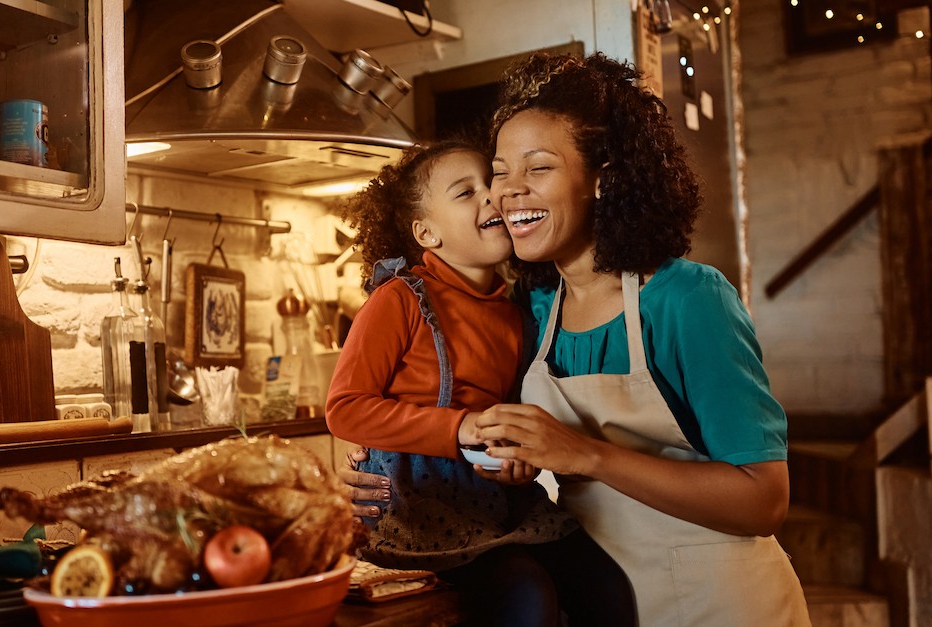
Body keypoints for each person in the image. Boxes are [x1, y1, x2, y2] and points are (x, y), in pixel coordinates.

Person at [341, 52, 813, 627]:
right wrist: (381, 467)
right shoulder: (531, 311)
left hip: (717, 604)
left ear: (601, 178)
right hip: (588, 594)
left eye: (537, 168)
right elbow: (468, 419)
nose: (506, 193)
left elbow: (763, 501)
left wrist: (584, 453)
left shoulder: (688, 300)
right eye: (499, 172)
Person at [326, 139, 634, 627]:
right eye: (465, 193)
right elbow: (345, 407)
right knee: (526, 594)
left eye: (488, 184)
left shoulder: (516, 311)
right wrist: (461, 427)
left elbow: (512, 417)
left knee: (606, 587)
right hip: (413, 508)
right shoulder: (399, 301)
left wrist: (518, 462)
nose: (491, 197)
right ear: (427, 233)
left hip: (496, 502)